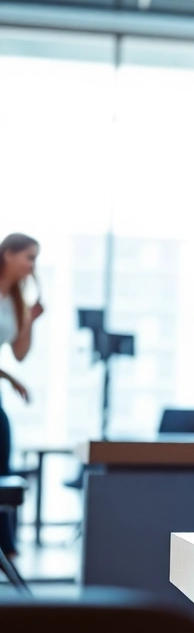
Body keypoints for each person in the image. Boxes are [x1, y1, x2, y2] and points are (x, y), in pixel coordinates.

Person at [0, 233, 42, 562]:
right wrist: (11, 379)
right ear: (8, 254)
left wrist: (31, 319)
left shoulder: (15, 300)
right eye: (28, 257)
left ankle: (7, 545)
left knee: (3, 457)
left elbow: (20, 353)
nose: (32, 265)